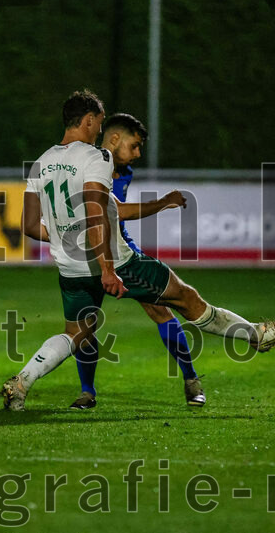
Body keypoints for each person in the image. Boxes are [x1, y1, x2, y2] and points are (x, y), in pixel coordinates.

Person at [1, 89, 275, 411]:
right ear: (88, 121)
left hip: (70, 269)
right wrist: (107, 268)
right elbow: (97, 212)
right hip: (118, 263)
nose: (98, 132)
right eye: (98, 125)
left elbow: (31, 226)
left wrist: (66, 239)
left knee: (75, 334)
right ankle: (257, 336)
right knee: (185, 298)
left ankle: (21, 383)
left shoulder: (41, 163)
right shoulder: (96, 158)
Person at [71, 113, 204, 409]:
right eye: (134, 145)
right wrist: (163, 202)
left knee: (160, 310)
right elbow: (123, 211)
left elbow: (117, 215)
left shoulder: (122, 171)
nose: (138, 154)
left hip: (121, 253)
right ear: (115, 138)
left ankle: (191, 380)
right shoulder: (86, 165)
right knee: (85, 324)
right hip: (88, 253)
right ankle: (86, 391)